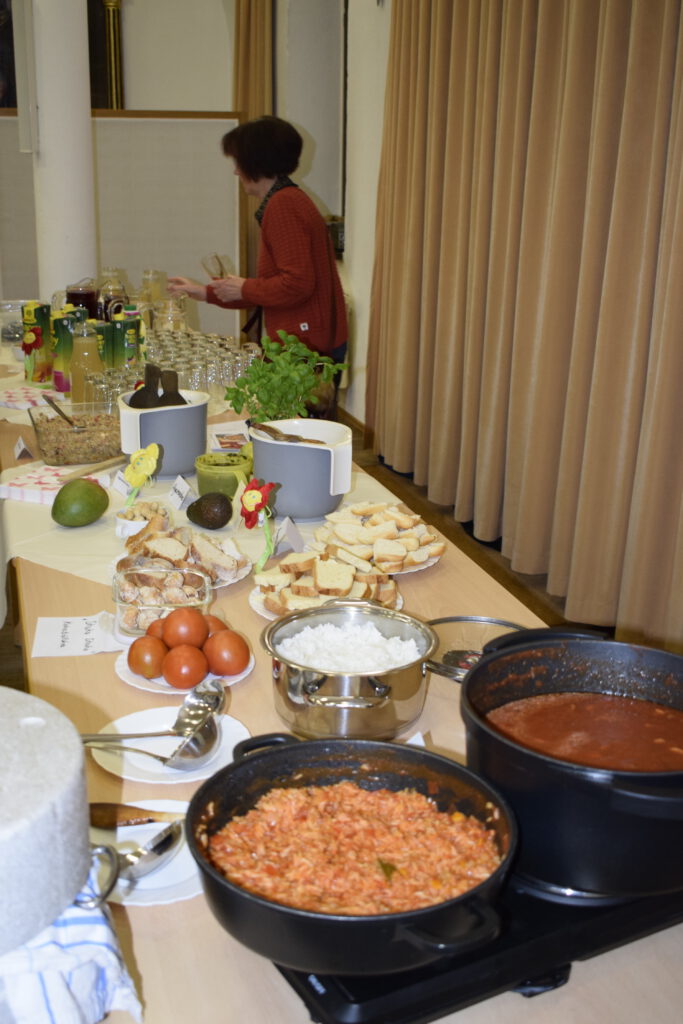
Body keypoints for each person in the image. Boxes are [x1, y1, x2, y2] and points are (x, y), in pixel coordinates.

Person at [168, 116, 348, 363]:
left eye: (238, 161)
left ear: (255, 162)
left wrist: (243, 287)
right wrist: (205, 292)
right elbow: (274, 287)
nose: (235, 170)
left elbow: (297, 284)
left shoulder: (283, 205)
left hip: (305, 345)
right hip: (307, 339)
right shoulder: (287, 199)